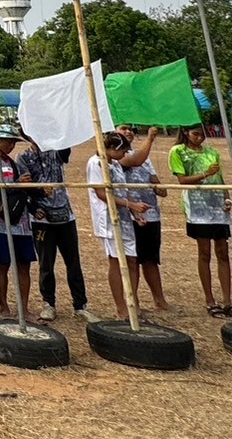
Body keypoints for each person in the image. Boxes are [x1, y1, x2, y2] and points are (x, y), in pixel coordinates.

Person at [168, 125, 232, 317]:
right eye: (196, 134)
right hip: (197, 207)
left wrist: (227, 197)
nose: (200, 138)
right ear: (186, 133)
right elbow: (182, 180)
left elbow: (220, 178)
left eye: (202, 135)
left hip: (217, 205)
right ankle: (210, 300)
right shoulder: (178, 151)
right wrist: (205, 174)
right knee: (204, 252)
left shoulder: (212, 152)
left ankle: (228, 300)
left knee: (223, 251)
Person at [20, 137, 94, 322]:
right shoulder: (23, 157)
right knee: (46, 263)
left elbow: (65, 151)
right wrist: (35, 203)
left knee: (73, 262)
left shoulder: (56, 151)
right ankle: (48, 303)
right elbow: (23, 186)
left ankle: (80, 305)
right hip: (42, 218)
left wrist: (60, 133)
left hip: (65, 216)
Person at [0, 124, 35, 318]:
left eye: (13, 142)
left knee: (24, 264)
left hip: (22, 220)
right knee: (3, 263)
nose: (11, 146)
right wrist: (16, 184)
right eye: (8, 141)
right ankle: (4, 307)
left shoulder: (13, 162)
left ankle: (24, 308)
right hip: (1, 221)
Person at [87, 132, 141, 321]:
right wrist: (130, 205)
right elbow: (101, 193)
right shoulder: (96, 163)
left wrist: (134, 211)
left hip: (124, 217)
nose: (125, 155)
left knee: (132, 260)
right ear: (111, 149)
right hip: (108, 219)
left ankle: (133, 303)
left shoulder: (116, 164)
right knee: (116, 261)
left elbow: (123, 189)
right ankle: (121, 308)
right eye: (123, 151)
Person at [117, 124, 169, 311]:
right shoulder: (117, 157)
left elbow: (155, 181)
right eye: (124, 128)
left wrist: (159, 189)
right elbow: (135, 161)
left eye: (131, 128)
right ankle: (134, 303)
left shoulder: (144, 157)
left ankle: (160, 300)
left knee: (151, 260)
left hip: (151, 214)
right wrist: (150, 138)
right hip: (130, 216)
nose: (129, 131)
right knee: (133, 260)